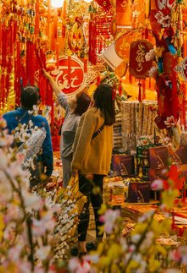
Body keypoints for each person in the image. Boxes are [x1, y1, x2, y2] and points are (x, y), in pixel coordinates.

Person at [71, 83, 115, 255]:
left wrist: (75, 165)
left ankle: (81, 245)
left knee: (83, 205)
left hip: (87, 167)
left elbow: (83, 142)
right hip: (100, 167)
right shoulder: (109, 117)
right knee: (98, 206)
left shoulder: (91, 114)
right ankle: (99, 241)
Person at [0, 86, 54, 182]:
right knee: (33, 190)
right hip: (34, 167)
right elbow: (47, 148)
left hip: (11, 165)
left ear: (20, 100)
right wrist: (49, 170)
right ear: (36, 103)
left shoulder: (6, 117)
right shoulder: (42, 121)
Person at [49, 76, 92, 186]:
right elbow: (59, 94)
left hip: (71, 160)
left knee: (70, 186)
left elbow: (81, 144)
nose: (71, 96)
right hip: (65, 157)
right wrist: (49, 77)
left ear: (77, 104)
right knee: (67, 185)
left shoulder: (78, 121)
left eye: (75, 97)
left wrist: (75, 163)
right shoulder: (70, 111)